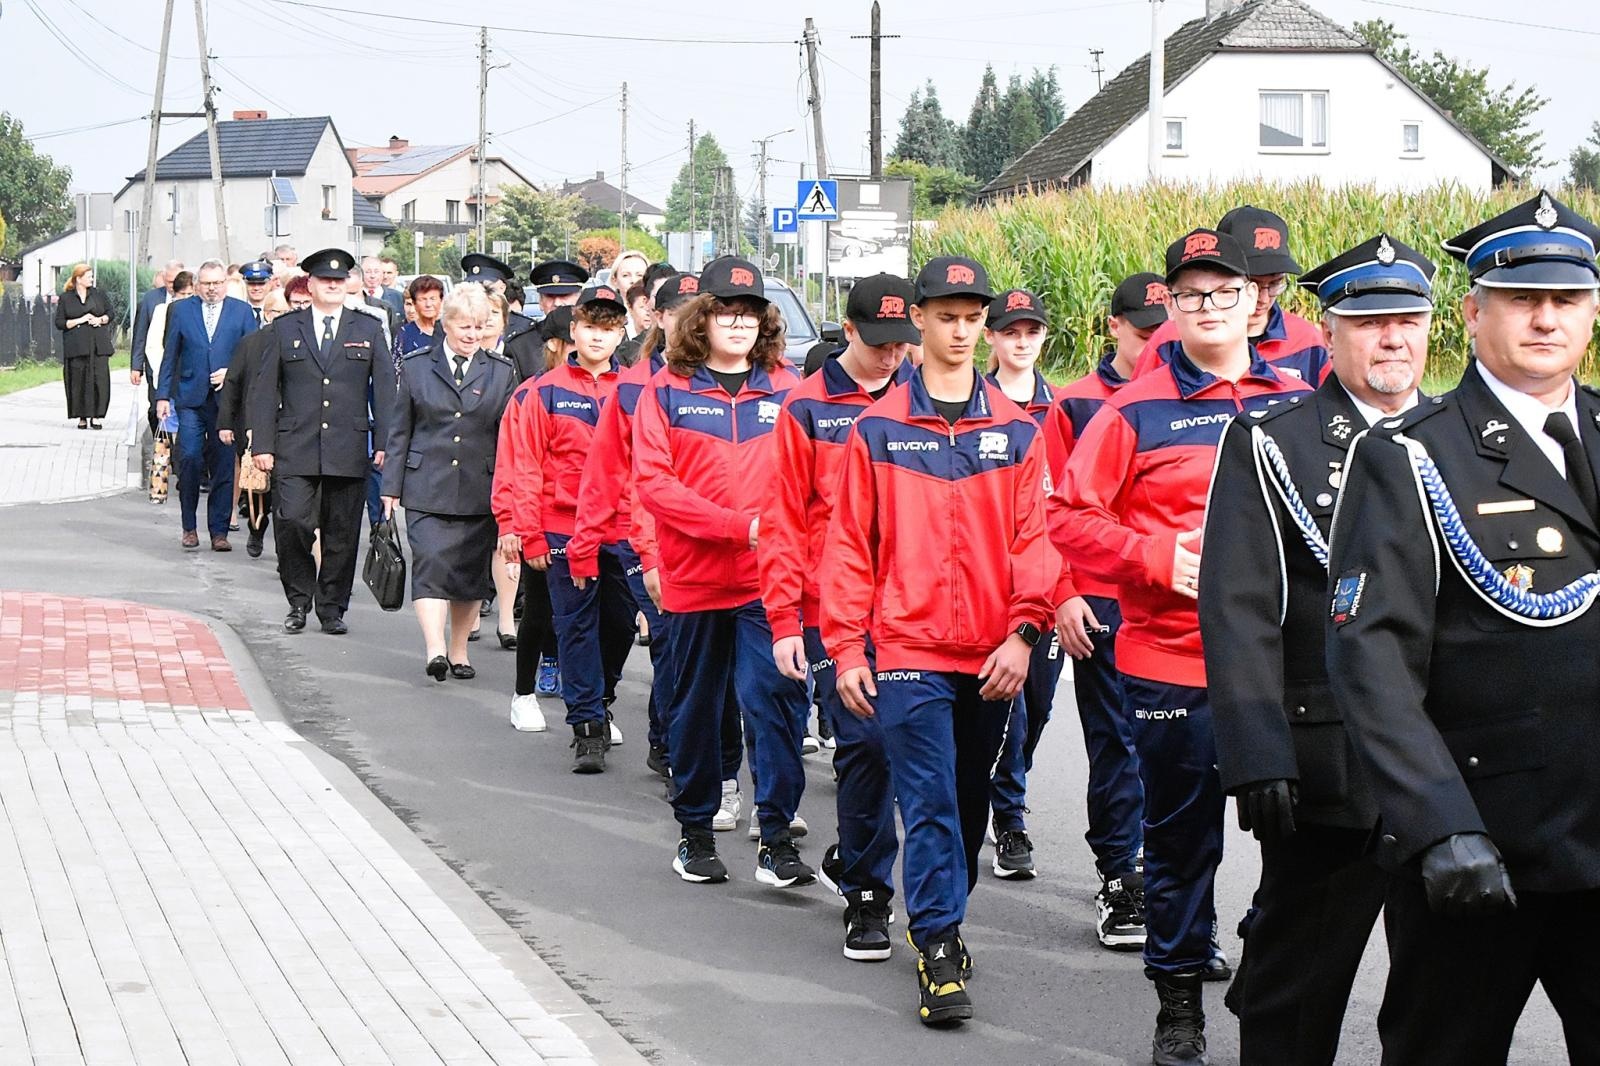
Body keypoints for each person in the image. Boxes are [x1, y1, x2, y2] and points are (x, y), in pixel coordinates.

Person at [1324, 192, 1600, 1066]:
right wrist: (1441, 825)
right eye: (1524, 299)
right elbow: (1370, 658)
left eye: (1567, 300)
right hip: (1485, 846)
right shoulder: (1411, 453)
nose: (1546, 318)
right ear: (1475, 312)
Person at [1052, 229, 1310, 1064]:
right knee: (1179, 842)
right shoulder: (1134, 410)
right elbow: (1066, 519)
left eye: (1223, 291)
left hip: (1283, 666)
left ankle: (1270, 979)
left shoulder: (1296, 399)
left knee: (1301, 844)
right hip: (1172, 661)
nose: (1207, 306)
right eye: (1190, 293)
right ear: (1170, 304)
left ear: (1252, 300)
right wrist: (1157, 558)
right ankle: (1179, 1005)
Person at [1202, 234, 1435, 1065]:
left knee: (1440, 996)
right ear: (1327, 334)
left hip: (1454, 773)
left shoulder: (1458, 439)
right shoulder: (1276, 440)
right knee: (1297, 989)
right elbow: (1237, 608)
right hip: (1329, 765)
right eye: (1370, 322)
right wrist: (1259, 752)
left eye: (1409, 319)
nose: (1393, 339)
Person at [820, 256, 1055, 1026]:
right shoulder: (879, 429)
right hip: (908, 653)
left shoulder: (1019, 431)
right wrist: (848, 650)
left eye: (972, 316)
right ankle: (940, 947)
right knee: (927, 804)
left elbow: (1038, 542)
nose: (960, 330)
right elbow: (851, 547)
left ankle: (943, 914)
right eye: (946, 315)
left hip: (994, 655)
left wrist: (1025, 634)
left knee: (967, 804)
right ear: (917, 319)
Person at [633, 256, 812, 888]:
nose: (737, 323)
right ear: (699, 319)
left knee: (777, 705)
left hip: (771, 585)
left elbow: (812, 480)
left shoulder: (789, 389)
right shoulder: (667, 390)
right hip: (695, 583)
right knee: (697, 711)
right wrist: (740, 527)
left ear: (765, 321)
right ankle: (696, 834)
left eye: (749, 312)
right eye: (724, 311)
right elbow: (654, 485)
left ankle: (777, 834)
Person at [760, 272, 917, 960]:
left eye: (900, 344)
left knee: (914, 759)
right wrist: (784, 621)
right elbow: (784, 523)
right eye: (878, 343)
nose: (891, 357)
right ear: (846, 331)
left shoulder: (922, 402)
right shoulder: (806, 408)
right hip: (834, 610)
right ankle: (869, 896)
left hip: (916, 611)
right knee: (866, 746)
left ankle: (857, 858)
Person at [1041, 271, 1165, 953]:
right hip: (1102, 604)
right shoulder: (1079, 404)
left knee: (1177, 750)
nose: (1153, 346)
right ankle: (1121, 874)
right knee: (1116, 745)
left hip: (1175, 604)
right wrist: (1064, 592)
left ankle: (1170, 876)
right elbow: (1050, 510)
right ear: (1113, 327)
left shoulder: (1184, 398)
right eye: (1143, 333)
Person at [981, 289, 1100, 882]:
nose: (1022, 341)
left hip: (1052, 573)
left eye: (1031, 332)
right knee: (1010, 703)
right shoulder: (975, 402)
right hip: (991, 576)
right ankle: (1010, 817)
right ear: (992, 338)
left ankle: (1002, 780)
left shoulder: (1064, 406)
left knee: (1039, 702)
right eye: (1010, 331)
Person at [497, 284, 635, 769]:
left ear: (622, 334)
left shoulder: (636, 389)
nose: (599, 337)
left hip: (622, 528)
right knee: (575, 625)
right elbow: (526, 465)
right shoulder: (544, 390)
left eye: (609, 328)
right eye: (591, 327)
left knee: (619, 625)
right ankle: (587, 725)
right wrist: (526, 531)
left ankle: (602, 697)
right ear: (573, 330)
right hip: (562, 528)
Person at [568, 273, 700, 771]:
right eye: (679, 312)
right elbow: (604, 471)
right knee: (668, 640)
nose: (691, 322)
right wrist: (585, 543)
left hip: (704, 539)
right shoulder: (633, 384)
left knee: (687, 648)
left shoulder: (723, 381)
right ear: (658, 318)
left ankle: (671, 738)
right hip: (637, 535)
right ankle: (669, 746)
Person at [250, 249, 391, 634]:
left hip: (348, 445)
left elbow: (384, 390)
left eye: (339, 280)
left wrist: (384, 441)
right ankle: (299, 599)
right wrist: (261, 444)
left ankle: (332, 608)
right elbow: (265, 390)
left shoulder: (368, 328)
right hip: (296, 445)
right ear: (309, 285)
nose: (332, 285)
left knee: (341, 533)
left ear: (348, 285)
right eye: (325, 280)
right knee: (293, 521)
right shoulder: (285, 328)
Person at [383, 284, 518, 679]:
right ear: (445, 325)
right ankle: (435, 649)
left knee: (468, 574)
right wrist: (390, 489)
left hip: (480, 488)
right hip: (425, 485)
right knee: (430, 564)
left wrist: (510, 495)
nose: (472, 334)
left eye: (478, 326)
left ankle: (460, 652)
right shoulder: (415, 365)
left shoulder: (501, 370)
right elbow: (399, 432)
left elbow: (508, 438)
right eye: (464, 326)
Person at [1134, 206, 1327, 386]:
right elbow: (1137, 402)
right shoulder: (1168, 340)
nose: (1264, 298)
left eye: (1275, 284)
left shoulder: (1307, 339)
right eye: (1255, 284)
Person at [156, 260, 256, 551]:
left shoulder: (241, 311)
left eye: (216, 283)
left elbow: (252, 354)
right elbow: (170, 355)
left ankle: (219, 531)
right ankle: (189, 526)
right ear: (197, 284)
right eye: (206, 283)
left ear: (225, 283)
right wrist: (163, 396)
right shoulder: (182, 310)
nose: (212, 289)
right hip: (190, 398)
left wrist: (231, 372)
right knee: (189, 457)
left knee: (224, 465)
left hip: (226, 402)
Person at [219, 285, 300, 558]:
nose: (280, 316)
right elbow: (232, 383)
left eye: (284, 311)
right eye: (274, 312)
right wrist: (226, 424)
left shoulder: (298, 341)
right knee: (259, 489)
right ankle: (257, 528)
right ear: (266, 314)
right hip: (255, 424)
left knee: (285, 492)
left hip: (290, 428)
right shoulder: (251, 343)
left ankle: (285, 551)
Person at [54, 264, 115, 430]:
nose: (92, 279)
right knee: (78, 381)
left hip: (98, 346)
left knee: (99, 380)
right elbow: (60, 322)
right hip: (76, 347)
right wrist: (80, 320)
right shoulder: (66, 298)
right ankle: (81, 416)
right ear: (78, 278)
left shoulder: (99, 295)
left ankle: (96, 416)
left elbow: (110, 313)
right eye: (88, 276)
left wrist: (100, 319)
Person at [131, 260, 185, 395]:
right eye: (168, 281)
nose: (172, 286)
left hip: (183, 366)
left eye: (175, 281)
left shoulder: (191, 297)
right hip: (155, 363)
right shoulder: (151, 298)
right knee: (155, 407)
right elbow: (140, 333)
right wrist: (136, 366)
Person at [395, 276, 444, 365]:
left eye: (433, 299)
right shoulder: (404, 333)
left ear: (441, 300)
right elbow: (397, 369)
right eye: (423, 299)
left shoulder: (451, 331)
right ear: (414, 303)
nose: (428, 304)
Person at [609, 250, 649, 333]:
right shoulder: (608, 313)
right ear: (614, 280)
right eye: (626, 275)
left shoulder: (656, 312)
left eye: (639, 275)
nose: (633, 280)